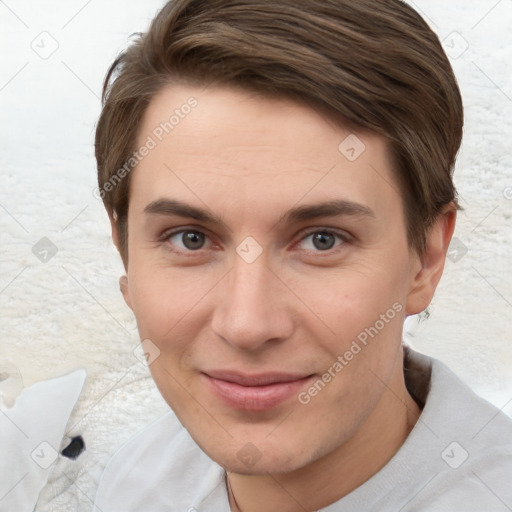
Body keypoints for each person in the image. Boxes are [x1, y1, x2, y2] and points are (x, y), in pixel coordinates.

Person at [92, 0, 512, 510]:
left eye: (322, 240)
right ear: (125, 255)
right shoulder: (137, 481)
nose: (247, 325)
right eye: (191, 239)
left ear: (426, 257)